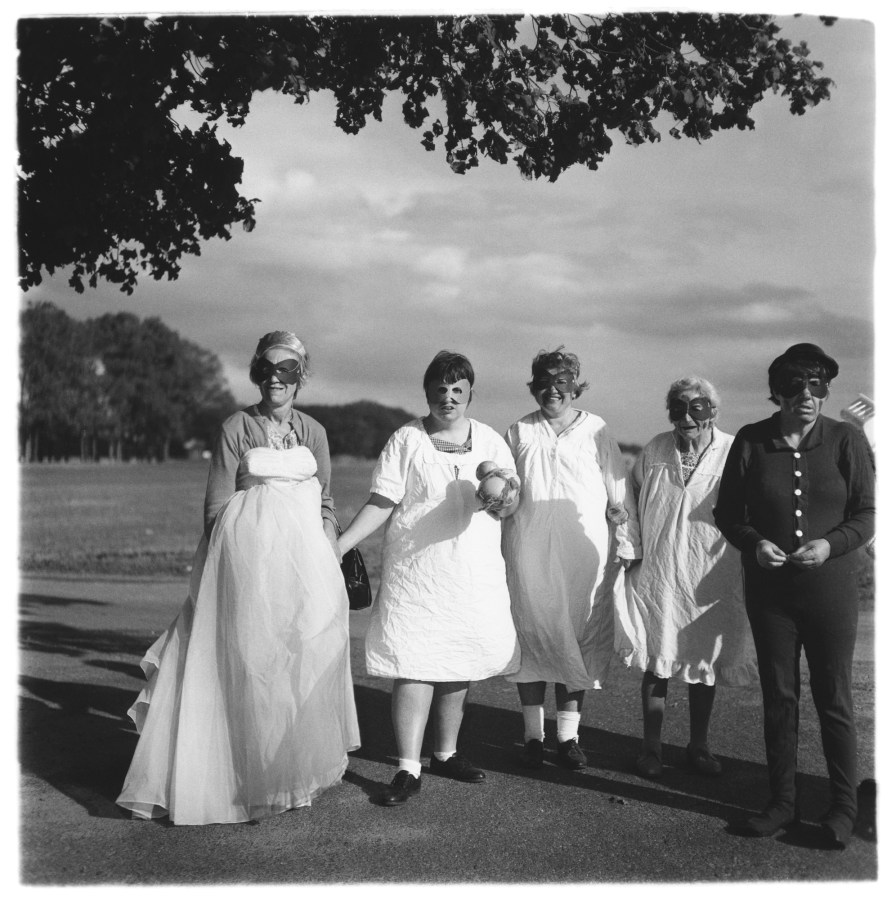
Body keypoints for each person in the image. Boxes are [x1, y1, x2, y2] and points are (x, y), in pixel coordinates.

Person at [117, 331, 360, 825]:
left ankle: (289, 777)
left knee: (299, 661)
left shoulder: (314, 430)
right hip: (248, 565)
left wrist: (328, 548)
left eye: (288, 369)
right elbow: (217, 502)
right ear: (256, 373)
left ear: (301, 377)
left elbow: (326, 499)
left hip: (307, 569)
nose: (276, 377)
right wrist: (223, 566)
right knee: (250, 663)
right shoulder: (236, 426)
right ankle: (241, 777)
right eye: (268, 368)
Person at [337, 350, 520, 806]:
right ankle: (407, 768)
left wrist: (498, 499)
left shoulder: (492, 441)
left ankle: (446, 753)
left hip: (471, 571)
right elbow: (383, 501)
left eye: (458, 389)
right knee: (413, 662)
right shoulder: (407, 439)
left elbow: (512, 502)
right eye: (440, 388)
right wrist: (338, 547)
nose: (448, 397)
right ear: (427, 392)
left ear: (470, 394)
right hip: (417, 572)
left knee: (459, 662)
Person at [714, 343, 874, 847]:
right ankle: (782, 804)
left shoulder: (846, 440)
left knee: (834, 699)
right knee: (779, 698)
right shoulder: (751, 440)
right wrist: (755, 543)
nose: (807, 395)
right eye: (795, 384)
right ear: (776, 391)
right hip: (771, 595)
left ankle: (843, 810)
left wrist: (830, 545)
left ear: (826, 390)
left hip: (830, 592)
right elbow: (727, 513)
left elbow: (868, 514)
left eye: (817, 384)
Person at [502, 348, 638, 770]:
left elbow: (619, 489)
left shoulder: (596, 429)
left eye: (561, 382)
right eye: (543, 382)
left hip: (584, 553)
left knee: (576, 637)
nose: (552, 391)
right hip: (527, 548)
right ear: (533, 386)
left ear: (575, 386)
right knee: (533, 632)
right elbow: (505, 491)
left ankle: (567, 738)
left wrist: (626, 539)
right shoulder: (519, 431)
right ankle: (531, 737)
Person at [615, 377, 756, 780]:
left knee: (702, 661)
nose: (687, 417)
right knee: (656, 659)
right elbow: (631, 505)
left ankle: (699, 746)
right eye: (678, 407)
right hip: (660, 570)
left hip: (711, 574)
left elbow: (751, 508)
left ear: (714, 411)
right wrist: (630, 547)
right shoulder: (655, 449)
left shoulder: (733, 452)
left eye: (698, 407)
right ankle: (651, 749)